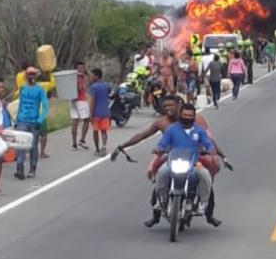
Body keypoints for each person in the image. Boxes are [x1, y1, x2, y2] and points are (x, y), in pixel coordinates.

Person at [112, 95, 227, 227]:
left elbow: (209, 139)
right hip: (171, 156)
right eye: (165, 106)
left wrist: (218, 155)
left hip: (196, 156)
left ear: (179, 105)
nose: (168, 109)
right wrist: (122, 146)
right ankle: (156, 214)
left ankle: (208, 214)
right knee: (159, 177)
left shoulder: (197, 120)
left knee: (205, 179)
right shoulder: (163, 123)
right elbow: (144, 136)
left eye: (171, 105)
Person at [150, 103, 215, 217]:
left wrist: (210, 150)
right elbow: (163, 143)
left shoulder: (199, 131)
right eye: (185, 115)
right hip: (173, 162)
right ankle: (162, 199)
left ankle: (202, 203)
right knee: (162, 172)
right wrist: (158, 149)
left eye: (190, 115)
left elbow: (208, 143)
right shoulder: (172, 129)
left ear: (194, 117)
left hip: (194, 163)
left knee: (204, 175)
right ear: (180, 114)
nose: (187, 117)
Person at [14, 67, 49, 180]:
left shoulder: (40, 89)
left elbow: (45, 106)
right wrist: (16, 119)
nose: (31, 77)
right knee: (21, 145)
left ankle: (32, 168)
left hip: (34, 121)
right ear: (26, 76)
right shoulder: (23, 88)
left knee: (33, 146)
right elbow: (20, 104)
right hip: (22, 120)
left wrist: (40, 120)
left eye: (33, 74)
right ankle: (20, 168)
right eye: (29, 74)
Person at [89, 68, 112, 156]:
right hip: (105, 112)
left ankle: (97, 149)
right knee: (104, 131)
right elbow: (109, 94)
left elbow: (92, 101)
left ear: (96, 76)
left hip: (96, 113)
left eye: (92, 76)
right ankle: (104, 146)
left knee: (95, 131)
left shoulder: (93, 87)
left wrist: (90, 114)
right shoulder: (106, 86)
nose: (90, 77)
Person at [71, 61, 91, 150]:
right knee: (86, 119)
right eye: (81, 68)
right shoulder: (80, 76)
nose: (82, 69)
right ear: (77, 68)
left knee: (75, 121)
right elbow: (80, 88)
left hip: (72, 101)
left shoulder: (71, 76)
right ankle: (82, 140)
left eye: (83, 67)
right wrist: (84, 77)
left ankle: (74, 143)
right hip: (81, 100)